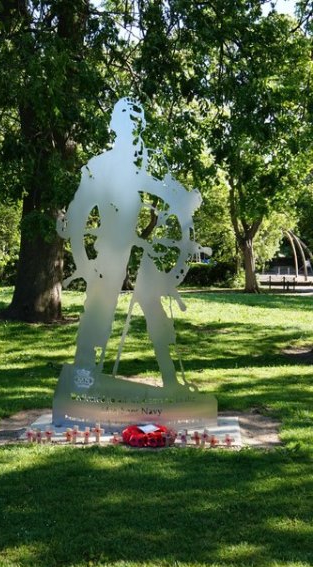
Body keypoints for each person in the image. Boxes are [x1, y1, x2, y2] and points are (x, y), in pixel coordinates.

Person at [57, 97, 209, 387]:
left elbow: (167, 196)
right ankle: (84, 380)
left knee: (154, 309)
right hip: (109, 256)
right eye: (127, 126)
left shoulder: (135, 171)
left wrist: (185, 203)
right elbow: (77, 216)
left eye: (136, 127)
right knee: (98, 314)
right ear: (116, 128)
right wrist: (83, 262)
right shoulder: (98, 168)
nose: (132, 134)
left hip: (138, 252)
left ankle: (171, 382)